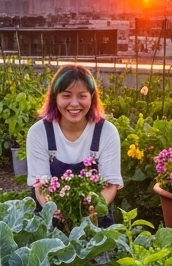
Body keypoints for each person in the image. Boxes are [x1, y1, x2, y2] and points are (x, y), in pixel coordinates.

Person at [26, 65, 122, 225]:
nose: (74, 103)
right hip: (50, 213)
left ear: (92, 98)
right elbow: (41, 186)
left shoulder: (106, 132)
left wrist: (88, 214)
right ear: (55, 98)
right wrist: (57, 212)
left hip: (94, 217)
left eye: (82, 96)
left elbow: (110, 185)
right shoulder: (39, 132)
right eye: (66, 95)